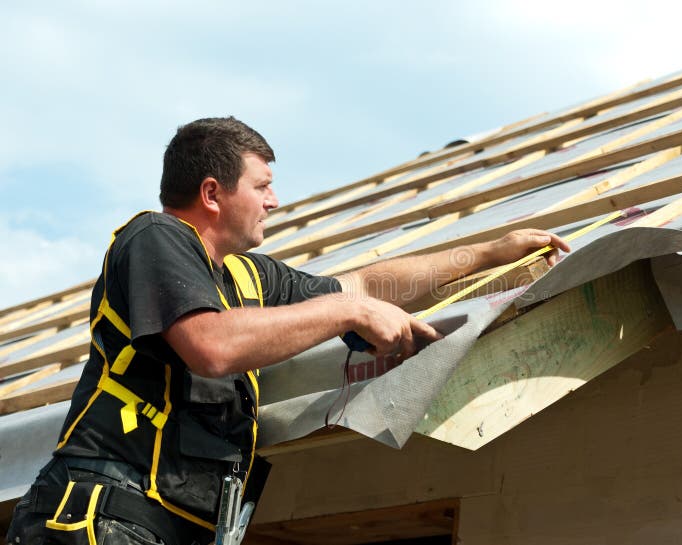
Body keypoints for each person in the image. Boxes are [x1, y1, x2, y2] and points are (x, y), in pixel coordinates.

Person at [6, 117, 569, 545]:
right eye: (262, 186)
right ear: (211, 193)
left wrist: (488, 252)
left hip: (163, 527)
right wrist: (349, 315)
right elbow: (212, 344)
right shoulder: (156, 237)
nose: (274, 201)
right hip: (101, 515)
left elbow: (367, 284)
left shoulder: (249, 276)